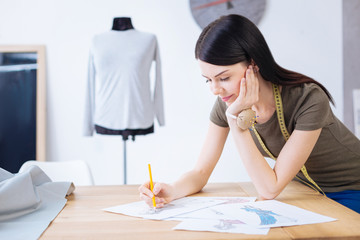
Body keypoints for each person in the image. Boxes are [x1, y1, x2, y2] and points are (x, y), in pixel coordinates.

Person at [138, 14, 360, 213]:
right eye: (208, 80)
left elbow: (270, 188)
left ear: (253, 64)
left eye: (224, 78)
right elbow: (201, 171)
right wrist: (172, 190)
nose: (215, 89)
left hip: (352, 189)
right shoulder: (226, 102)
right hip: (309, 191)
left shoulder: (308, 99)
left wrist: (236, 123)